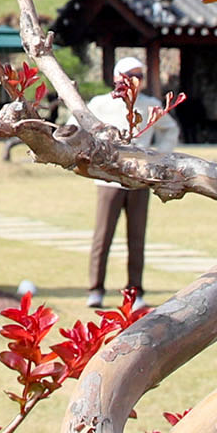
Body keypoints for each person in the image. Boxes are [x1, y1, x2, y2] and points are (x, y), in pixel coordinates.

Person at [83, 58, 155, 310]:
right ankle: (95, 289)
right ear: (117, 77)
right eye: (130, 75)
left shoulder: (151, 106)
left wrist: (157, 156)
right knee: (103, 236)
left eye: (140, 75)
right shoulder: (99, 104)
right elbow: (75, 126)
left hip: (139, 179)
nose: (136, 80)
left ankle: (135, 291)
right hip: (109, 179)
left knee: (136, 238)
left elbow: (169, 130)